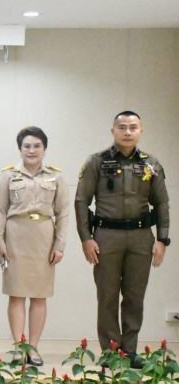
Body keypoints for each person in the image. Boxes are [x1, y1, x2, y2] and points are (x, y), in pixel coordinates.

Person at [74, 110, 169, 368]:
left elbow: (162, 203)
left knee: (134, 297)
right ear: (113, 130)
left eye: (133, 127)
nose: (127, 132)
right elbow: (82, 201)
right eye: (122, 127)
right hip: (106, 237)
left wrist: (162, 239)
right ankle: (111, 353)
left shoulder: (151, 164)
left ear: (140, 130)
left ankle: (130, 352)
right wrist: (86, 238)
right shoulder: (96, 162)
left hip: (141, 238)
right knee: (107, 296)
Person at [0, 127, 70, 366]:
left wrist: (59, 244)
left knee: (39, 296)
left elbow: (63, 213)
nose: (32, 150)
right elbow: (0, 210)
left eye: (37, 146)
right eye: (26, 146)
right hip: (15, 236)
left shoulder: (56, 177)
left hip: (43, 239)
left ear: (44, 149)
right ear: (20, 149)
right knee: (16, 295)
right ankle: (19, 347)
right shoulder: (8, 175)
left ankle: (33, 348)